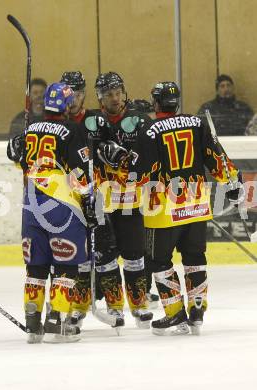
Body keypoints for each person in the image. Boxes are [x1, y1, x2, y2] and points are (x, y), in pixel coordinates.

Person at [135, 81, 244, 335]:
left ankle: (174, 314)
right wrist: (232, 184)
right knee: (195, 258)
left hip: (163, 208)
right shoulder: (197, 123)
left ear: (156, 102)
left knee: (158, 261)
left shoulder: (150, 131)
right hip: (195, 203)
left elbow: (141, 174)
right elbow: (217, 158)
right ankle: (197, 310)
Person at [7, 82, 97, 343]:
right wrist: (89, 202)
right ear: (67, 105)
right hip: (61, 204)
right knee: (67, 265)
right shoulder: (71, 129)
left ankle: (33, 324)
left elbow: (19, 159)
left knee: (36, 266)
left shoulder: (31, 128)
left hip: (31, 204)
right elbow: (80, 172)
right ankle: (57, 322)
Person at [59, 71, 123, 329]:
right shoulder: (56, 124)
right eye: (67, 92)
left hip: (95, 196)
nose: (72, 97)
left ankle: (115, 306)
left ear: (84, 93)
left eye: (76, 92)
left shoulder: (97, 120)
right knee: (78, 257)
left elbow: (116, 152)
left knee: (106, 253)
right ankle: (77, 307)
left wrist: (113, 154)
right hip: (66, 200)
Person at [94, 71, 153, 328]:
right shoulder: (92, 122)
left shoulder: (138, 121)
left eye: (118, 93)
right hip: (101, 200)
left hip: (130, 198)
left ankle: (139, 305)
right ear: (100, 98)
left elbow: (152, 153)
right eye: (109, 95)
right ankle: (114, 307)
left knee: (134, 254)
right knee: (106, 259)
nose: (115, 98)